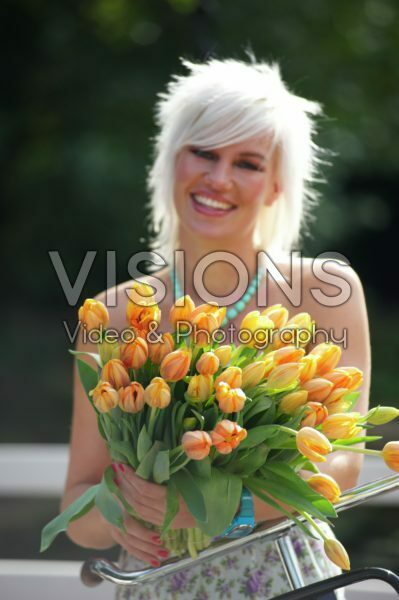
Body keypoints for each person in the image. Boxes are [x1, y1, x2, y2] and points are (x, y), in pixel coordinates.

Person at [61, 57, 371, 600]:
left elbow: (341, 463)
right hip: (157, 586)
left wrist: (216, 512)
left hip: (286, 582)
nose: (218, 178)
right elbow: (76, 505)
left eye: (247, 163)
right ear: (171, 162)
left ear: (276, 186)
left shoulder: (326, 292)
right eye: (202, 152)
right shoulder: (110, 315)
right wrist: (119, 515)